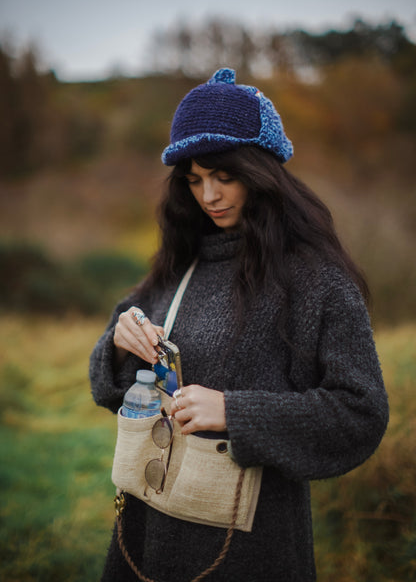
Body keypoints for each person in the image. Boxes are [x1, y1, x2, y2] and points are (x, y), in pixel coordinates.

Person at [89, 68, 389, 582]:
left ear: (262, 170)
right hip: (146, 529)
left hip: (252, 546)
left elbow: (360, 412)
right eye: (195, 180)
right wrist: (120, 343)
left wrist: (234, 410)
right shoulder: (181, 261)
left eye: (224, 176)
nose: (209, 196)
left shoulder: (315, 277)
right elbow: (107, 378)